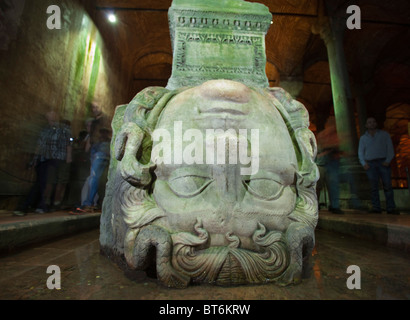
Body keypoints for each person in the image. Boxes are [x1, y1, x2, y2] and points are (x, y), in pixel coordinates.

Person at [13, 110, 72, 215]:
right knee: (41, 182)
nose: (50, 120)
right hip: (44, 158)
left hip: (56, 159)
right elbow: (39, 145)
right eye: (48, 118)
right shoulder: (45, 130)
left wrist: (68, 158)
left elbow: (68, 144)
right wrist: (34, 160)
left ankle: (30, 206)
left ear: (56, 116)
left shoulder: (64, 129)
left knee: (45, 182)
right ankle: (37, 205)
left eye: (51, 118)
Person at [358, 116, 398, 214]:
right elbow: (360, 152)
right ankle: (376, 207)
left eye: (373, 122)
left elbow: (390, 149)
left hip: (383, 162)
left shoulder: (384, 135)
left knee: (387, 185)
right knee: (373, 187)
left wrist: (388, 160)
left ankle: (391, 208)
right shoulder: (363, 138)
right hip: (370, 164)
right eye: (369, 122)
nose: (371, 124)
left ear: (376, 124)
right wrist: (363, 163)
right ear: (366, 125)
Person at [76, 103, 111, 213]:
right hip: (96, 149)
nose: (95, 109)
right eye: (93, 107)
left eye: (97, 107)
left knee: (94, 177)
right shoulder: (95, 122)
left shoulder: (104, 120)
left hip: (101, 149)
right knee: (94, 177)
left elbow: (105, 134)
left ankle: (89, 203)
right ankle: (91, 202)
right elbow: (91, 137)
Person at [315, 116, 344, 214]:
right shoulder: (323, 135)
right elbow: (322, 147)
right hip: (321, 163)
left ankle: (334, 205)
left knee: (333, 185)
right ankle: (315, 205)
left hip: (331, 163)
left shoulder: (336, 135)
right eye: (331, 122)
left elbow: (338, 147)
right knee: (318, 186)